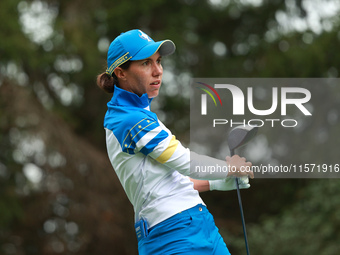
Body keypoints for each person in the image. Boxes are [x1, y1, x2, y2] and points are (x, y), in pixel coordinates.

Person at [96, 29, 254, 255]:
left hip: (197, 223)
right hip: (172, 234)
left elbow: (165, 182)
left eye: (158, 61)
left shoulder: (138, 115)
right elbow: (185, 161)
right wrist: (229, 168)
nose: (158, 71)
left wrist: (217, 182)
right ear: (121, 72)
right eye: (146, 64)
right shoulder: (129, 120)